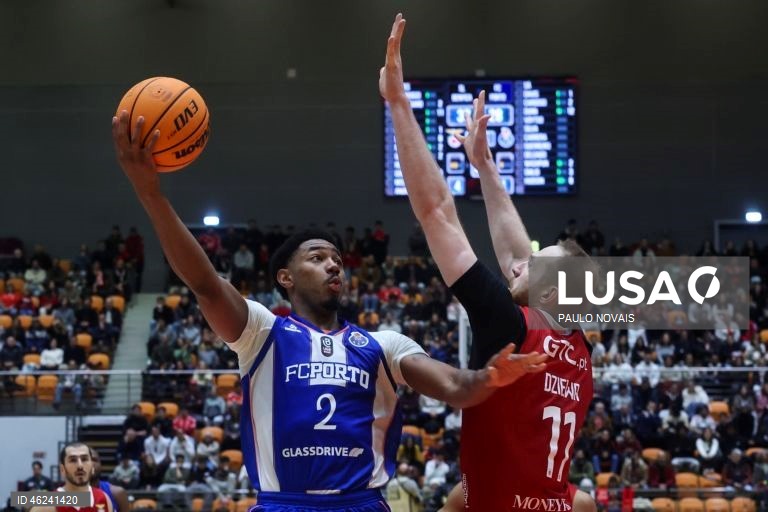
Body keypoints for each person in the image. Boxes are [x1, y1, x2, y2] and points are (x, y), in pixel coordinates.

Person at [111, 106, 547, 512]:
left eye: (337, 258)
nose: (333, 263)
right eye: (317, 258)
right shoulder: (264, 334)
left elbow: (455, 385)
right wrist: (151, 194)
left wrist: (489, 377)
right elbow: (205, 284)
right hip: (284, 502)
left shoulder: (383, 345)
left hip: (362, 501)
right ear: (286, 277)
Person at [380, 13, 595, 511]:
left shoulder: (507, 323)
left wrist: (398, 104)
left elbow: (436, 212)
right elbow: (520, 256)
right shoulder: (580, 344)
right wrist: (485, 167)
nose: (521, 264)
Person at [30, 442, 113, 512]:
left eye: (84, 459)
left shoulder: (104, 498)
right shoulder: (44, 506)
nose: (80, 465)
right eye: (73, 460)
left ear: (92, 467)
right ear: (62, 469)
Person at [91, 447, 130, 511]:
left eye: (94, 460)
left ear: (101, 465)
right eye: (85, 460)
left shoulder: (117, 493)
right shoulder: (72, 497)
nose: (91, 463)